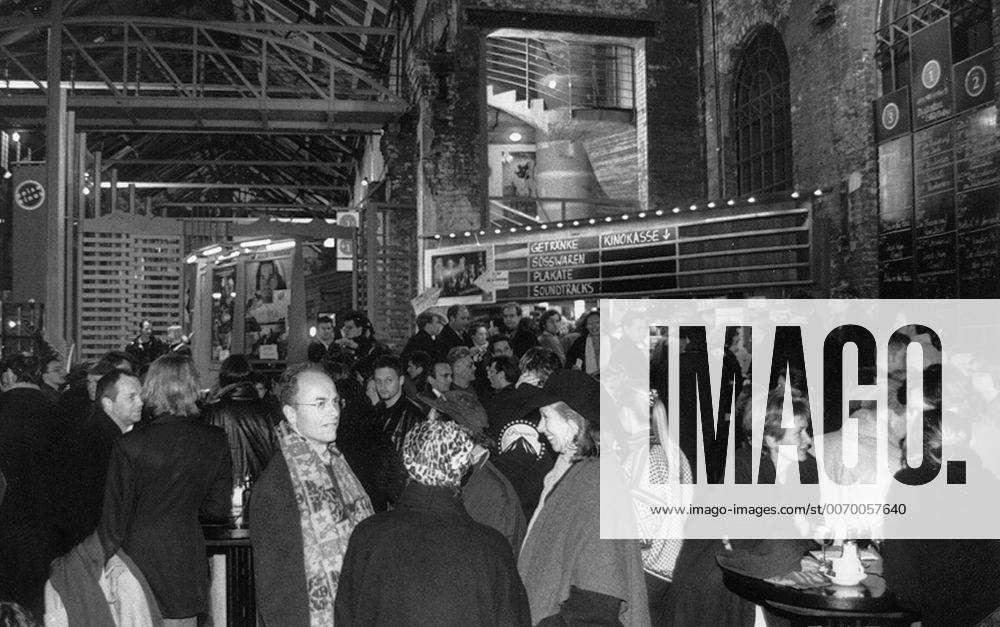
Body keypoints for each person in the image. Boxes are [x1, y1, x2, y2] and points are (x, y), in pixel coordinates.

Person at [335, 419, 531, 626]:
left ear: (407, 461)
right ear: (463, 467)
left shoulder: (367, 535)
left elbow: (345, 616)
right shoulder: (492, 548)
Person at [98, 354, 231, 626]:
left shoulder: (130, 444)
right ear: (193, 387)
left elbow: (114, 517)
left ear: (152, 389)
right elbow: (218, 510)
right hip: (185, 556)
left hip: (137, 559)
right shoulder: (215, 440)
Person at [517, 370, 650, 626]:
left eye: (546, 417)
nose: (539, 427)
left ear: (574, 422)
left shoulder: (597, 486)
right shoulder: (574, 475)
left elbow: (597, 606)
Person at [250, 363, 374, 625]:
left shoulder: (338, 462)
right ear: (291, 414)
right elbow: (277, 589)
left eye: (334, 401)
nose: (333, 411)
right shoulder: (278, 484)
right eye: (319, 403)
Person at [48, 369, 143, 555]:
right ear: (108, 403)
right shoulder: (95, 440)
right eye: (131, 397)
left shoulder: (112, 434)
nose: (140, 402)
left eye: (140, 395)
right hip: (92, 549)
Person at [0, 355, 62, 616]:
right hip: (44, 517)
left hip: (7, 514)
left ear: (11, 375)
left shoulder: (4, 408)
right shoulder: (56, 410)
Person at [201, 354, 278, 486]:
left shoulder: (212, 411)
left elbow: (205, 457)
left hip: (223, 489)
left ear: (222, 379)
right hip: (259, 488)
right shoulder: (268, 410)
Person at [371, 355, 427, 508]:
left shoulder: (414, 414)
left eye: (388, 380)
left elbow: (417, 463)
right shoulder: (377, 410)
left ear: (401, 381)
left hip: (401, 498)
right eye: (378, 381)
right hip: (381, 493)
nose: (382, 386)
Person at [565, 310, 600, 377]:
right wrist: (573, 368)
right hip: (586, 383)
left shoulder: (613, 342)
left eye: (597, 322)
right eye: (590, 324)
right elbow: (569, 363)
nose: (594, 326)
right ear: (586, 326)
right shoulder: (579, 343)